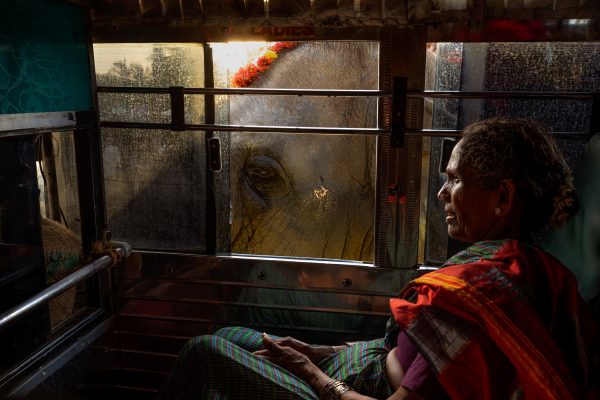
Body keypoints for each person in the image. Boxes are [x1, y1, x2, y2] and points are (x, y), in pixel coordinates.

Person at [157, 118, 599, 400]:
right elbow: (402, 349)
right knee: (232, 333)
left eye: (456, 180)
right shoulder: (510, 271)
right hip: (355, 364)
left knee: (203, 352)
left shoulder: (481, 301)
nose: (442, 192)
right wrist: (322, 349)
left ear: (502, 198)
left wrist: (315, 376)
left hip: (347, 391)